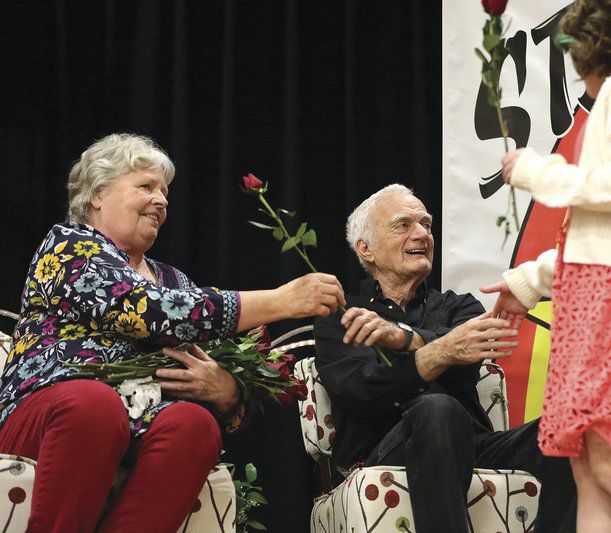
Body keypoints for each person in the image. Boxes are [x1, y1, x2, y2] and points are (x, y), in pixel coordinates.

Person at [0, 133, 345, 532]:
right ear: (97, 194)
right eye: (146, 187)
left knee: (193, 426)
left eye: (164, 192)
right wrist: (282, 301)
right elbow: (148, 311)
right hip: (48, 416)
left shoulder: (174, 281)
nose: (162, 201)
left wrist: (228, 392)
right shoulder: (68, 246)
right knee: (94, 404)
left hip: (137, 423)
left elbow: (232, 395)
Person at [482, 1, 611, 531]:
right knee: (591, 466)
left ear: (601, 44)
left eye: (575, 48)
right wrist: (529, 280)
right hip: (601, 294)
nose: (574, 63)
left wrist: (536, 171)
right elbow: (605, 238)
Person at [314, 184, 577, 533]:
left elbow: (466, 367)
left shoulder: (459, 306)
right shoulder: (342, 314)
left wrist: (405, 340)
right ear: (367, 249)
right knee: (437, 408)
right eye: (403, 224)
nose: (421, 233)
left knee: (571, 426)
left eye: (426, 224)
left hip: (474, 444)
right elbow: (361, 393)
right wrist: (439, 350)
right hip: (383, 449)